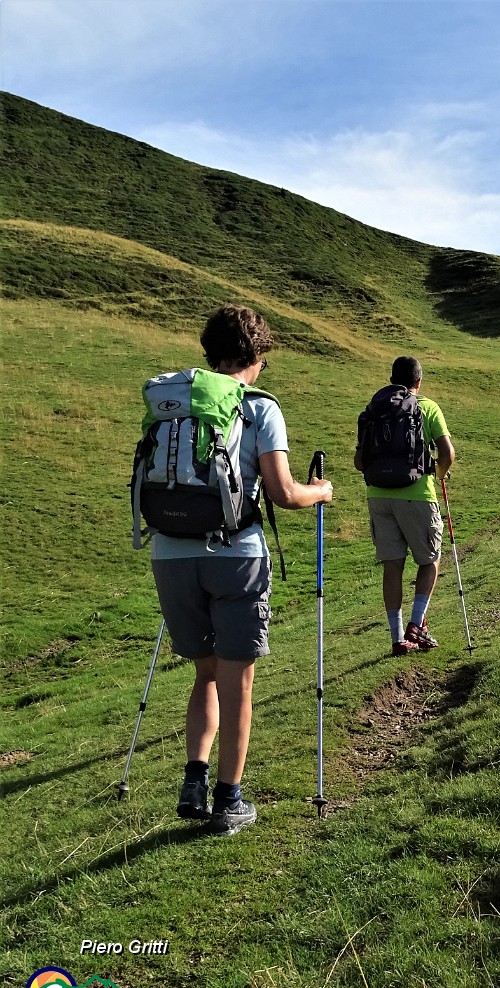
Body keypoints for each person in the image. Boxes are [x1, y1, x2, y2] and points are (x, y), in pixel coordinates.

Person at [148, 305, 333, 837]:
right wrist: (321, 491)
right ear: (257, 355)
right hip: (235, 555)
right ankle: (229, 800)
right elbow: (283, 493)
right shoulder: (258, 408)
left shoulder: (171, 404)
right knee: (238, 681)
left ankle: (193, 781)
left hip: (170, 553)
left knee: (205, 672)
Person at [355, 356, 454, 657]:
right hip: (417, 496)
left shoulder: (374, 410)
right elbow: (447, 453)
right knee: (429, 560)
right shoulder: (426, 406)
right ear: (418, 382)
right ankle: (416, 625)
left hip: (378, 496)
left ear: (391, 378)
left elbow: (360, 461)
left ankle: (398, 638)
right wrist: (436, 471)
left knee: (392, 566)